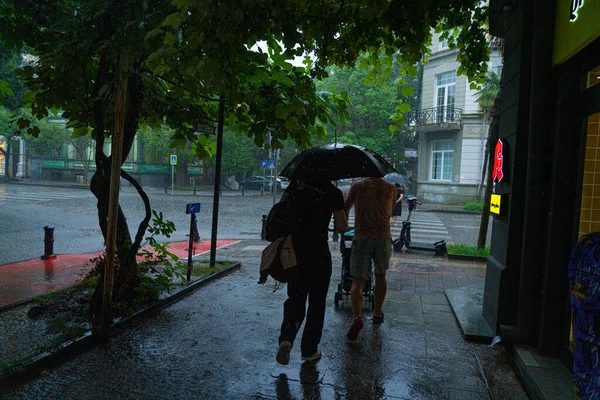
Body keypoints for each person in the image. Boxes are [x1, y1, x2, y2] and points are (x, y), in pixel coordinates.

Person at [276, 177, 348, 365]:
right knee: (317, 303)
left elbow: (280, 211)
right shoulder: (333, 192)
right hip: (319, 255)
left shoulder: (295, 186)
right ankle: (309, 350)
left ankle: (287, 338)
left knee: (295, 298)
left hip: (296, 253)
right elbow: (341, 227)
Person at [344, 176, 396, 341]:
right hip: (383, 237)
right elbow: (391, 209)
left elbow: (345, 208)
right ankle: (376, 314)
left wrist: (346, 226)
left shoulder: (358, 186)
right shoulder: (390, 187)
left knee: (357, 280)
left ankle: (357, 317)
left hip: (361, 236)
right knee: (381, 276)